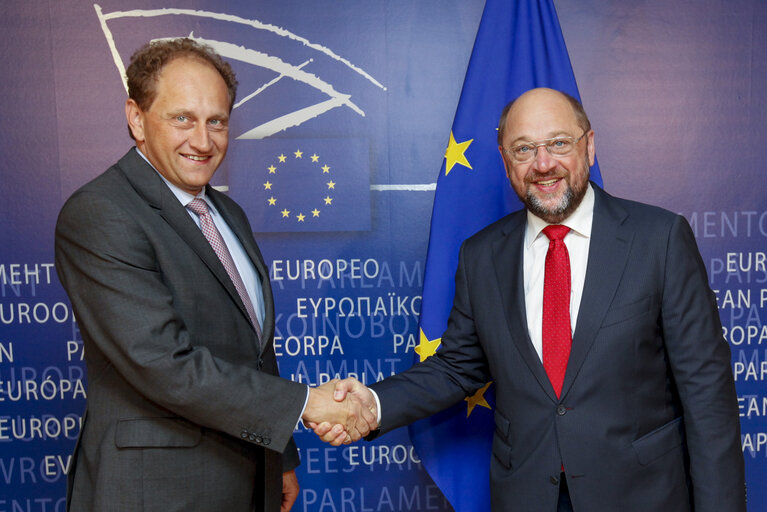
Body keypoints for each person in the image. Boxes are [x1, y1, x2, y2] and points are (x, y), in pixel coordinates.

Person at [314, 88, 746, 511]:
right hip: (527, 493)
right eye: (523, 149)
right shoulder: (481, 255)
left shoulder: (659, 239)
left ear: (589, 146)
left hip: (640, 493)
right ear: (506, 162)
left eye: (559, 143)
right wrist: (371, 404)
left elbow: (707, 395)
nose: (543, 164)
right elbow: (457, 366)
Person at [55, 38, 375, 512]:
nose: (203, 141)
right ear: (136, 118)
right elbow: (163, 363)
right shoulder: (100, 213)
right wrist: (306, 403)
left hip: (249, 478)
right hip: (157, 492)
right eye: (182, 117)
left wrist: (279, 455)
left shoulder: (226, 213)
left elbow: (254, 352)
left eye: (217, 121)